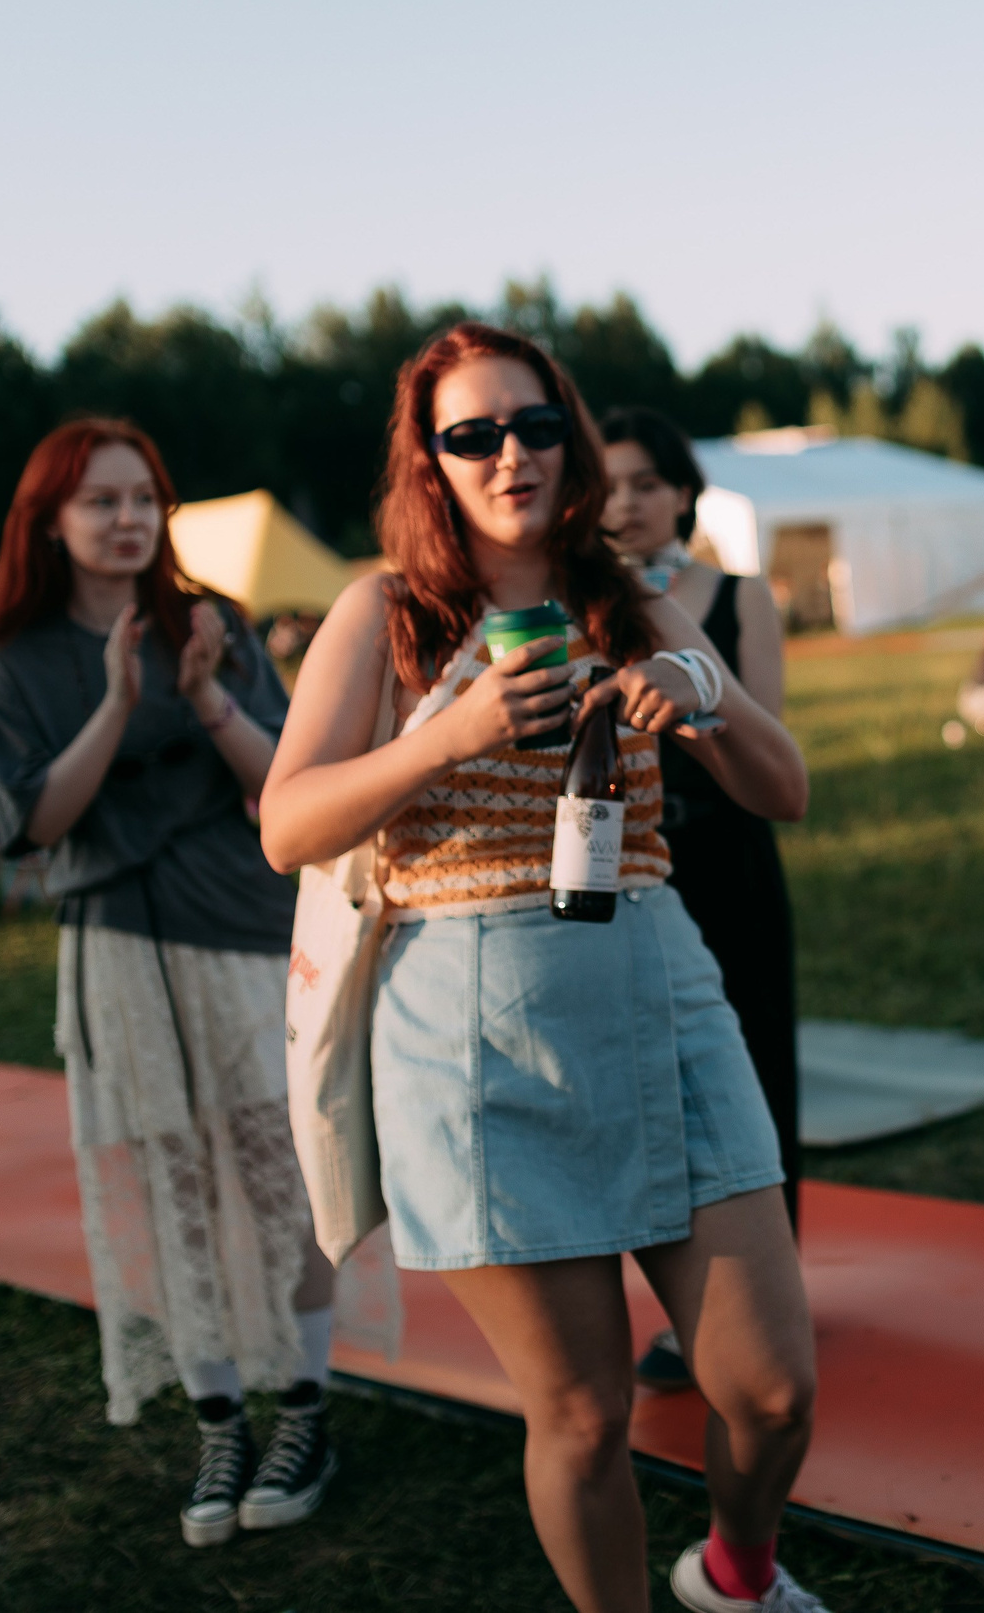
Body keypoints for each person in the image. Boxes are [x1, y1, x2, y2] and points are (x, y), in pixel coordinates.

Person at [258, 323, 825, 1613]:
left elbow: (782, 786)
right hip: (466, 1023)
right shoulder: (381, 611)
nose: (509, 453)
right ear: (431, 461)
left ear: (569, 435)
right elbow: (288, 822)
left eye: (533, 424)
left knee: (774, 1384)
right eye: (471, 434)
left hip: (655, 978)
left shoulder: (626, 593)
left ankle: (735, 1576)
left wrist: (701, 688)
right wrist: (443, 734)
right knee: (580, 1412)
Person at [0, 418, 344, 1549]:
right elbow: (35, 821)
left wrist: (207, 692)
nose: (128, 518)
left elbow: (287, 781)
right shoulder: (12, 657)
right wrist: (120, 702)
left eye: (144, 497)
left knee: (285, 1169)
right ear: (50, 520)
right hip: (117, 943)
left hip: (237, 925)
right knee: (166, 1176)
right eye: (101, 500)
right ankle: (219, 1415)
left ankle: (306, 1410)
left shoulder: (211, 619)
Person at [599, 404, 801, 1394]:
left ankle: (771, 1282)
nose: (624, 501)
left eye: (643, 482)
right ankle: (685, 1297)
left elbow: (765, 742)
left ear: (681, 492)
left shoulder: (736, 596)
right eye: (606, 483)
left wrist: (692, 706)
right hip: (626, 868)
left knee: (757, 1061)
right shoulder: (575, 600)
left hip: (728, 856)